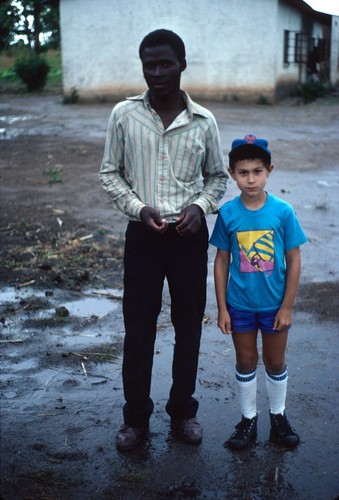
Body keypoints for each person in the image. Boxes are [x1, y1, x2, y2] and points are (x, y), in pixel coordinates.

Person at [100, 29, 228, 451]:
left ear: (182, 64)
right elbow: (110, 173)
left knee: (188, 326)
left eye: (165, 63)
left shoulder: (203, 121)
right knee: (138, 330)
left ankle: (183, 413)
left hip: (189, 238)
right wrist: (138, 208)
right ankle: (135, 419)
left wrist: (200, 207)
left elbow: (216, 178)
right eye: (149, 65)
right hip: (143, 236)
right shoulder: (124, 115)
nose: (157, 72)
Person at [210, 134, 307, 450]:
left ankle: (278, 416)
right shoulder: (228, 214)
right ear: (231, 173)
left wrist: (287, 306)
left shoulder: (282, 212)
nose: (250, 179)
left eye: (257, 171)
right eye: (243, 172)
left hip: (274, 304)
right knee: (246, 358)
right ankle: (248, 419)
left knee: (275, 361)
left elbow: (293, 260)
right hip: (240, 305)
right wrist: (222, 308)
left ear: (270, 170)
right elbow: (222, 261)